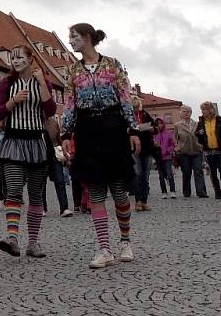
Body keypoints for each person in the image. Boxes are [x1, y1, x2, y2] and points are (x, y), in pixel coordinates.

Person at [61, 24, 140, 268]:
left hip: (113, 127)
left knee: (118, 189)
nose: (71, 41)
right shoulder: (73, 71)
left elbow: (125, 96)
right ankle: (104, 247)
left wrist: (133, 129)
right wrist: (66, 132)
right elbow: (70, 103)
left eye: (74, 37)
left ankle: (125, 242)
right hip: (86, 131)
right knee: (95, 190)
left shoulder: (112, 64)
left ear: (87, 38)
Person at [0, 45, 58, 259]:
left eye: (20, 57)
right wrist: (13, 101)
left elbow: (50, 110)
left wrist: (41, 83)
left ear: (31, 59)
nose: (15, 61)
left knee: (36, 195)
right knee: (13, 190)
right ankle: (12, 238)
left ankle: (33, 242)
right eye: (13, 57)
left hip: (36, 142)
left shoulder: (42, 82)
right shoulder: (7, 83)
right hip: (13, 142)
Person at [195, 102, 221, 200]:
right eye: (202, 110)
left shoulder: (219, 120)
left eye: (204, 109)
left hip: (220, 150)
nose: (203, 112)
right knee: (213, 173)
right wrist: (199, 133)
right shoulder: (201, 122)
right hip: (209, 150)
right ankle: (217, 193)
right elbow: (197, 134)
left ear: (210, 109)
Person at [173, 106, 208, 198]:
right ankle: (186, 191)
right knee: (186, 172)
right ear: (180, 113)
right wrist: (177, 147)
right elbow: (174, 139)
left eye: (188, 111)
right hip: (184, 152)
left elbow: (201, 136)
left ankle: (201, 192)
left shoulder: (196, 123)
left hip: (196, 150)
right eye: (184, 111)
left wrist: (201, 145)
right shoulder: (177, 125)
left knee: (198, 171)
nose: (186, 113)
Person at [43, 118, 73, 217]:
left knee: (60, 180)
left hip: (54, 154)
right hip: (41, 154)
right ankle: (42, 207)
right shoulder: (35, 120)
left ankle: (64, 208)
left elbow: (59, 140)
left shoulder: (54, 123)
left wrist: (64, 154)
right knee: (41, 183)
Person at [131, 95, 156, 212]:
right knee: (137, 174)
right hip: (134, 149)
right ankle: (138, 201)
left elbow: (155, 127)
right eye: (134, 107)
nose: (136, 109)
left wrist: (152, 129)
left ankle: (145, 201)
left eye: (137, 107)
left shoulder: (145, 115)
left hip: (147, 147)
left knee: (145, 176)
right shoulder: (128, 116)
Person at [153, 118, 177, 198]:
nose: (159, 125)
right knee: (161, 176)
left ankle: (173, 191)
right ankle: (164, 192)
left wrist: (167, 150)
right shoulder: (154, 134)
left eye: (160, 123)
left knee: (169, 174)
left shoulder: (168, 133)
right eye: (157, 124)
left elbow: (173, 145)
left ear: (163, 124)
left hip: (167, 157)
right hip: (158, 157)